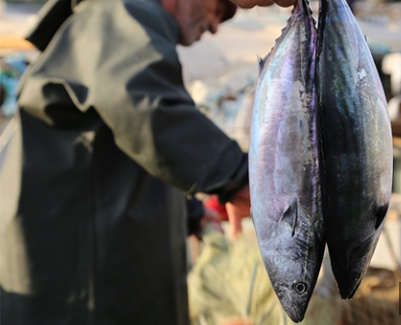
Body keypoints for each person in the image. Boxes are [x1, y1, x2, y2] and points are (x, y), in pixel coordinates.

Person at [0, 0, 294, 322]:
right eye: (221, 8)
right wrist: (240, 177)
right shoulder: (118, 10)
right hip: (79, 285)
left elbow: (129, 146)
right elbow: (143, 105)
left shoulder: (132, 31)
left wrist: (190, 214)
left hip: (105, 265)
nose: (214, 26)